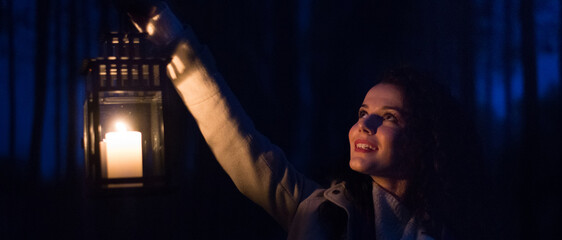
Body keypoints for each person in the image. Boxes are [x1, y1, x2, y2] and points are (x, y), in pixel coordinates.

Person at [125, 2, 485, 239]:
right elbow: (234, 136)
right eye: (363, 113)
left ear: (424, 140)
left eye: (388, 116)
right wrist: (166, 33)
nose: (365, 125)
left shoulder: (453, 230)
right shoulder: (319, 210)